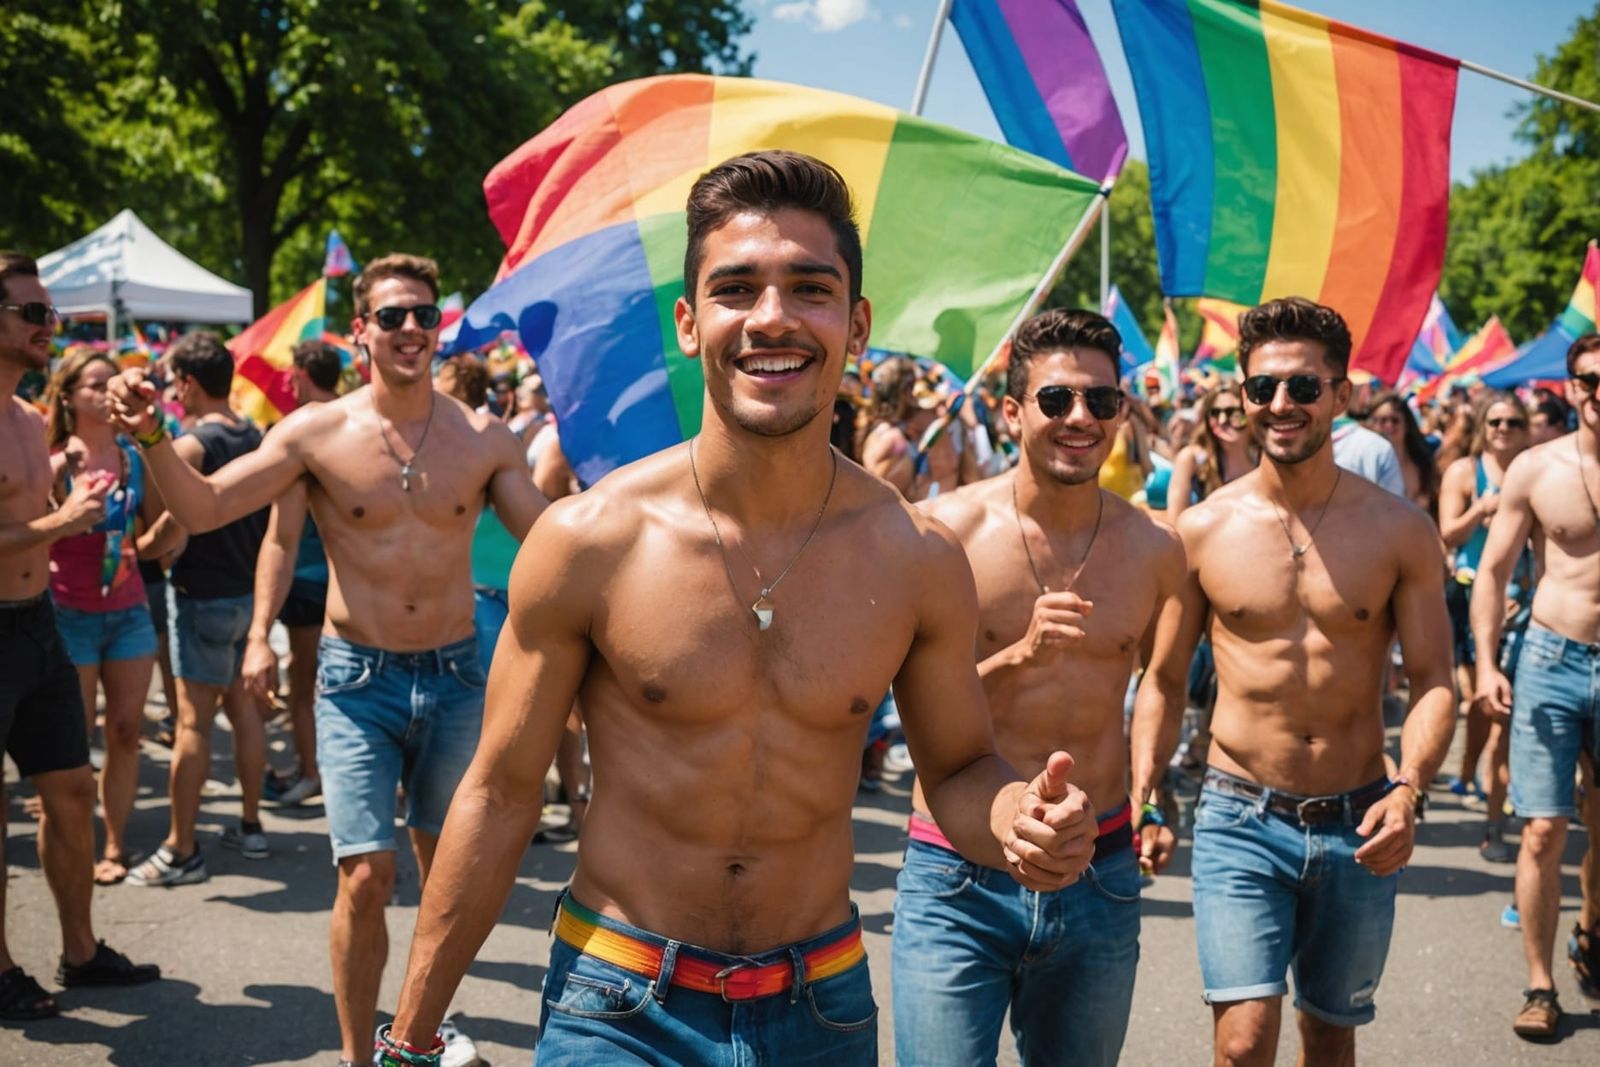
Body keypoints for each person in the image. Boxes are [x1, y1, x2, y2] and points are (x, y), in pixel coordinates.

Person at [383, 150, 1097, 1066]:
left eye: (810, 288)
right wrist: (410, 1036)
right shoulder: (590, 540)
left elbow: (958, 767)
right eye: (735, 288)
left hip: (821, 1006)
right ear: (690, 322)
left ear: (857, 324)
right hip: (617, 1001)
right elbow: (501, 791)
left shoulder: (916, 557)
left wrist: (1014, 820)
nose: (772, 317)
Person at [109, 253, 546, 1066]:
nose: (411, 327)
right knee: (366, 877)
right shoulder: (315, 433)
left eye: (424, 314)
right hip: (356, 682)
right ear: (360, 331)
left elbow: (551, 539)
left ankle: (419, 1030)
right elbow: (204, 506)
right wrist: (149, 435)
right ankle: (357, 1057)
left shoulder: (483, 438)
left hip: (456, 678)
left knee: (446, 880)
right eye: (393, 315)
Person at [1138, 297, 1455, 1065]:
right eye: (1262, 387)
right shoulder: (1202, 530)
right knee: (1243, 1043)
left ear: (1340, 395)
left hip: (1359, 817)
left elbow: (1434, 679)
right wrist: (1147, 793)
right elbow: (1164, 679)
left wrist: (1409, 789)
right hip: (1239, 814)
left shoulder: (1401, 530)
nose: (1281, 403)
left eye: (1303, 386)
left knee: (1330, 1035)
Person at [892, 308, 1187, 1066]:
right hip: (959, 871)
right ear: (1011, 411)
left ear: (1122, 410)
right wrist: (1017, 654)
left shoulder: (1155, 547)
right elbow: (906, 704)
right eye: (1056, 399)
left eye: (1101, 399)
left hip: (1100, 865)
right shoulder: (942, 534)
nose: (1080, 417)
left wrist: (1151, 793)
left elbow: (1161, 680)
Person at [0, 251, 160, 1020]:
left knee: (68, 789)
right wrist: (60, 521)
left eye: (50, 312)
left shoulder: (27, 419)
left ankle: (81, 951)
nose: (49, 325)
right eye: (33, 312)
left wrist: (66, 488)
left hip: (38, 626)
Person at [1472, 332, 1600, 1041]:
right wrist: (1487, 663)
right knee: (1545, 827)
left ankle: (1591, 923)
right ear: (1572, 386)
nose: (1599, 392)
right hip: (1552, 656)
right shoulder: (1537, 467)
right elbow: (1492, 572)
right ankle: (1540, 984)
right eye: (1589, 379)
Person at [125, 332, 272, 885]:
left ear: (187, 382)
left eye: (173, 381)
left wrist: (138, 549)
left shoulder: (190, 446)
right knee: (245, 712)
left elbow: (174, 528)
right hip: (247, 597)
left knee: (193, 724)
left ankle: (181, 849)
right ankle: (252, 826)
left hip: (203, 598)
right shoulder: (257, 437)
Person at [43, 349, 181, 885]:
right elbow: (30, 539)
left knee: (125, 731)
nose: (106, 393)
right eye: (95, 385)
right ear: (68, 395)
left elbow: (150, 539)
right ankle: (71, 839)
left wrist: (176, 524)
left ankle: (115, 844)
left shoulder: (132, 458)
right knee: (73, 742)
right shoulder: (55, 460)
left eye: (110, 384)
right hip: (68, 614)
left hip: (128, 613)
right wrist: (65, 514)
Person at [245, 339, 344, 809]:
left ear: (302, 375)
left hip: (309, 579)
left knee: (306, 685)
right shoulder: (360, 421)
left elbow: (278, 531)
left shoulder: (298, 433)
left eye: (290, 374)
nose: (286, 382)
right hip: (347, 581)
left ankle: (313, 772)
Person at [1439, 391, 1535, 863]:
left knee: (1500, 717)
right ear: (1482, 426)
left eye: (1512, 422)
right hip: (1468, 598)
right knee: (1477, 700)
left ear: (1525, 428)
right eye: (1495, 421)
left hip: (1523, 610)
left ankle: (1495, 817)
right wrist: (1482, 508)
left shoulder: (1534, 470)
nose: (1503, 430)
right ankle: (1467, 770)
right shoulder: (1464, 471)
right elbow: (1447, 533)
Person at [1167, 383, 1256, 523]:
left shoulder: (1265, 458)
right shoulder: (1191, 459)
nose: (1222, 420)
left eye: (1233, 412)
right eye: (1215, 413)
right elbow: (1175, 521)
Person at [1365, 391, 1439, 516]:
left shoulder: (1423, 464)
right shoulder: (1365, 464)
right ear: (1371, 424)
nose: (1389, 425)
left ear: (1406, 424)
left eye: (1395, 420)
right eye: (1382, 420)